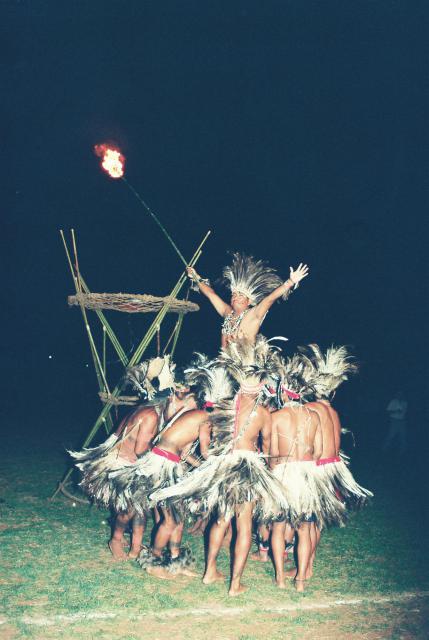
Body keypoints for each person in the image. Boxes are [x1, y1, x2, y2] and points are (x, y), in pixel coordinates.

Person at [187, 253, 309, 347]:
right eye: (234, 294)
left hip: (244, 369)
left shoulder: (254, 314)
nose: (235, 296)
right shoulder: (227, 313)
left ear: (249, 301)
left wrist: (290, 282)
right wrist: (196, 278)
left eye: (240, 295)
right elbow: (211, 295)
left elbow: (269, 299)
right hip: (224, 367)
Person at [270, 401, 324, 592]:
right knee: (304, 529)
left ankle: (280, 578)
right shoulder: (314, 416)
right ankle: (300, 580)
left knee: (278, 527)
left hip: (284, 472)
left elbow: (274, 454)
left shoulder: (276, 416)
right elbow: (318, 452)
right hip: (307, 474)